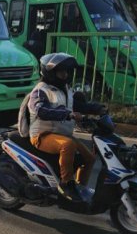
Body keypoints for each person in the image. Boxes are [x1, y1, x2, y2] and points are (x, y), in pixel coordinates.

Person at [27, 53, 105, 202]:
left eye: (66, 71)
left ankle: (80, 187)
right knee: (67, 145)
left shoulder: (65, 89)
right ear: (50, 72)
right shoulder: (40, 90)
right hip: (42, 135)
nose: (65, 74)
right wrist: (67, 114)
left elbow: (78, 106)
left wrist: (97, 109)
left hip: (62, 134)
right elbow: (41, 110)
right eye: (61, 71)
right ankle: (66, 184)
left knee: (89, 158)